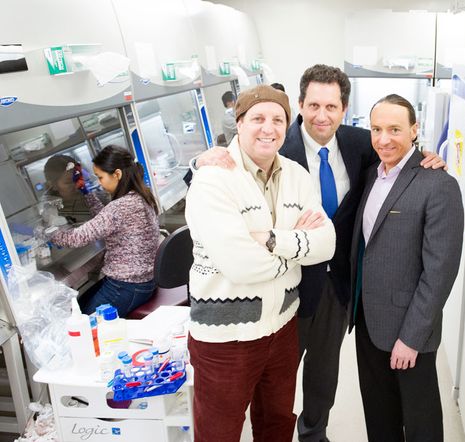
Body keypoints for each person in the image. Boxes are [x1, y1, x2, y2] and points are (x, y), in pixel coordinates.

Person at [192, 64, 446, 442]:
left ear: (344, 108)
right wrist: (198, 161)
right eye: (313, 105)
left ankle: (314, 434)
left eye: (331, 106)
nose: (321, 115)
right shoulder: (279, 145)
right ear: (300, 105)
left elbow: (397, 153)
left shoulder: (363, 144)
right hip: (290, 289)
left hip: (339, 284)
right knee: (275, 382)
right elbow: (210, 179)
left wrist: (427, 156)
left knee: (324, 377)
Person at [185, 85, 336, 442]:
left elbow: (326, 243)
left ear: (288, 126)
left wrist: (271, 241)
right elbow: (243, 268)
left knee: (276, 425)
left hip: (283, 328)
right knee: (219, 433)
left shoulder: (297, 175)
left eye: (278, 120)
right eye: (257, 118)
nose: (268, 128)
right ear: (239, 123)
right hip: (226, 339)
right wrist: (297, 252)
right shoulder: (213, 180)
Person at [350, 94, 464, 442]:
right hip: (368, 320)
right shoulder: (373, 174)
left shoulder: (438, 184)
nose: (384, 139)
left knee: (420, 423)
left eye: (395, 129)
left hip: (409, 329)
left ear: (415, 130)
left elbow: (439, 272)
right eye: (377, 129)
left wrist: (411, 338)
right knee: (379, 414)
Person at [50, 146, 160, 317]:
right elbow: (106, 217)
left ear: (117, 174)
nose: (99, 183)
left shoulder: (121, 207)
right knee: (80, 305)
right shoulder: (139, 195)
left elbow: (76, 239)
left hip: (126, 287)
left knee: (83, 322)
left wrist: (46, 233)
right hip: (142, 282)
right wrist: (86, 193)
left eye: (100, 177)